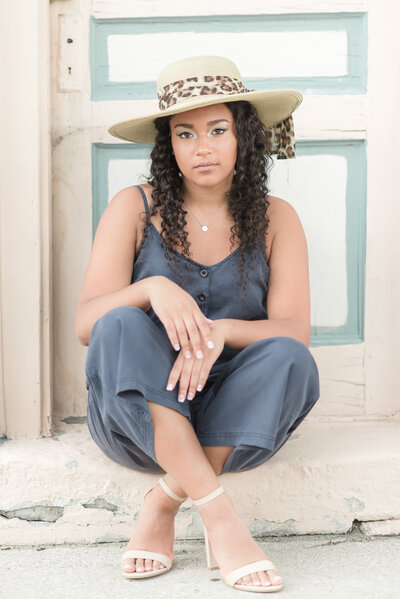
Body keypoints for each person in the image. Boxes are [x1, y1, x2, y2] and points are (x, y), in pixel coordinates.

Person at [74, 55, 320, 593]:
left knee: (290, 357)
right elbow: (87, 325)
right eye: (185, 133)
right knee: (119, 323)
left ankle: (164, 501)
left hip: (233, 419)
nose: (202, 146)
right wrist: (149, 289)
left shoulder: (278, 217)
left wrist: (222, 332)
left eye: (217, 129)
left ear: (244, 137)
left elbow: (294, 330)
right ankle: (221, 519)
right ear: (169, 146)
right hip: (141, 415)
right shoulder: (134, 207)